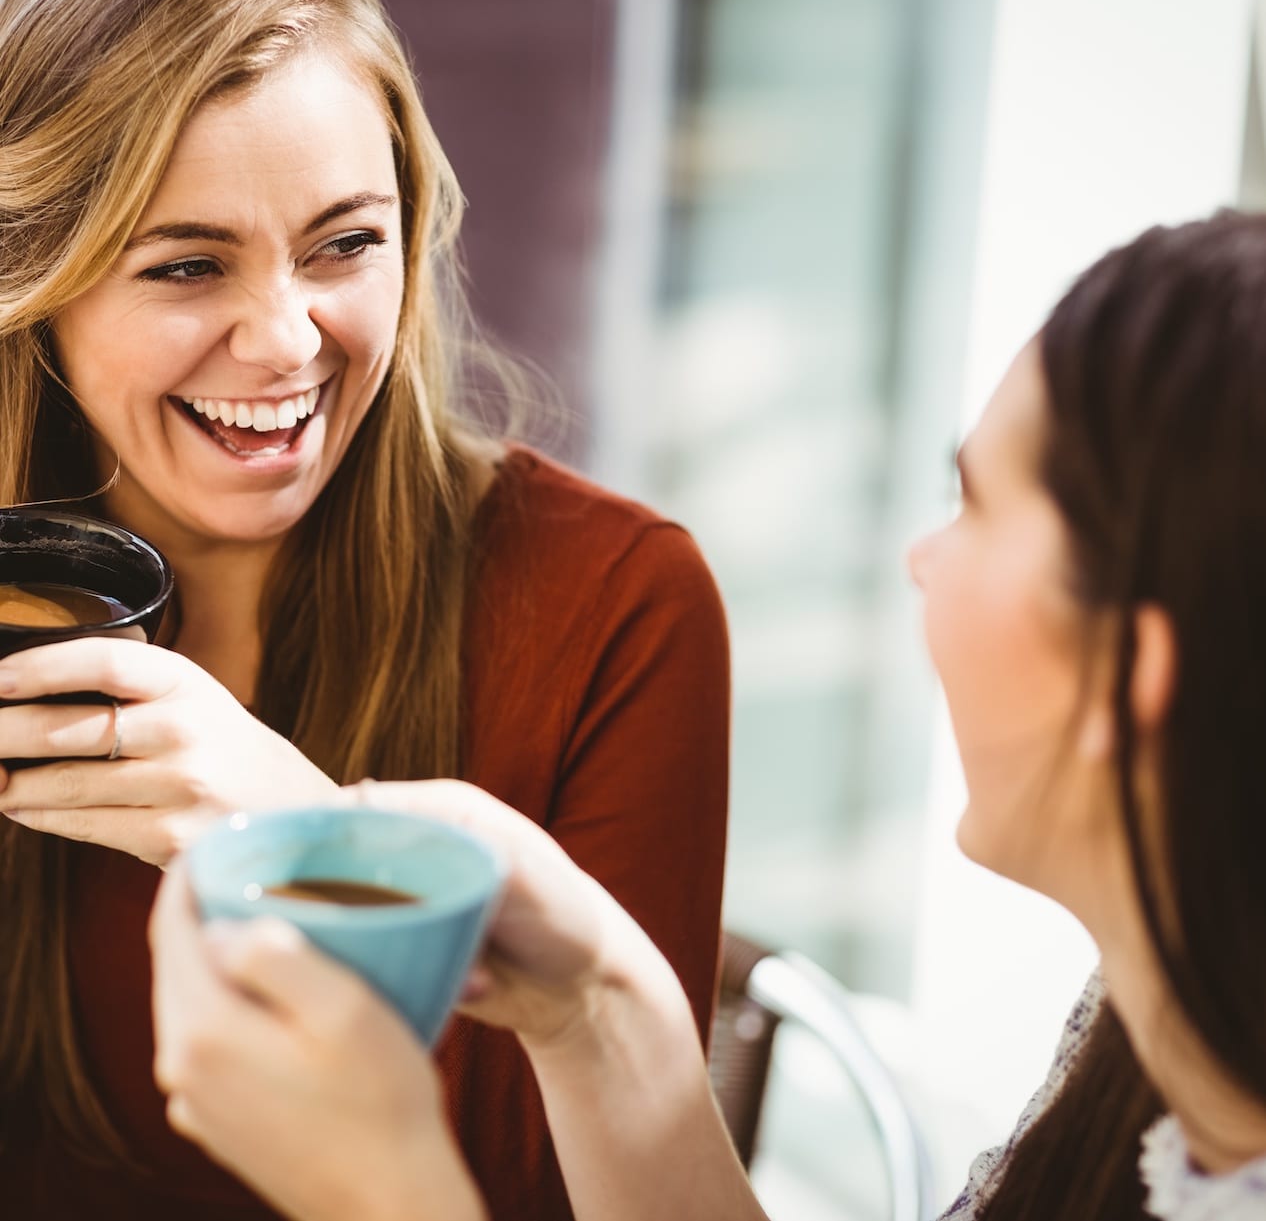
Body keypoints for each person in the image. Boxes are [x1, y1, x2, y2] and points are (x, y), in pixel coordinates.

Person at [152, 212, 1266, 1221]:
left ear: (1129, 670)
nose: (923, 560)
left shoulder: (618, 589)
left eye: (972, 505)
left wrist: (379, 1190)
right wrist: (599, 1011)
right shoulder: (1152, 1040)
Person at [0, 0, 729, 1218]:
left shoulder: (618, 603)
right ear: (39, 285)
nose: (287, 341)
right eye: (186, 265)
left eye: (343, 246)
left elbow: (549, 1189)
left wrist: (320, 848)